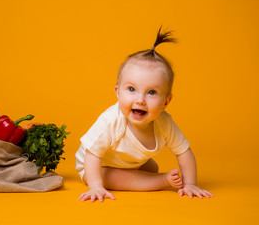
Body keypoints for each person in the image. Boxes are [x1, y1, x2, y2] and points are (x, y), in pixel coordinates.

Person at [75, 27, 214, 202]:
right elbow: (92, 154)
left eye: (152, 92)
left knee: (151, 167)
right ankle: (161, 181)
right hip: (95, 165)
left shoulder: (164, 123)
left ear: (166, 101)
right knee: (115, 178)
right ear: (118, 92)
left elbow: (184, 151)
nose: (140, 100)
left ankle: (146, 177)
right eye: (131, 89)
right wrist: (96, 186)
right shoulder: (111, 121)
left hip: (130, 162)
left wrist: (190, 183)